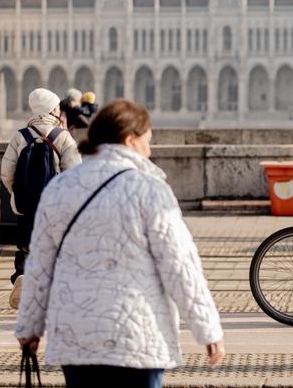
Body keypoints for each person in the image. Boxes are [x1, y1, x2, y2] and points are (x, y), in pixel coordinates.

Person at [14, 99, 224, 387]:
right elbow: (180, 266)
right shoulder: (150, 189)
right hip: (136, 338)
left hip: (77, 339)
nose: (150, 151)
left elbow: (39, 266)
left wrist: (29, 327)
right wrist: (208, 330)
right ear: (129, 139)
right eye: (147, 142)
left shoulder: (60, 188)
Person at [1, 88, 81, 309]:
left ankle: (22, 277)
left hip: (26, 206)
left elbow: (6, 173)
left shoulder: (20, 136)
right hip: (54, 206)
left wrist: (17, 195)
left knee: (26, 246)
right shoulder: (62, 136)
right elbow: (75, 175)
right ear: (52, 109)